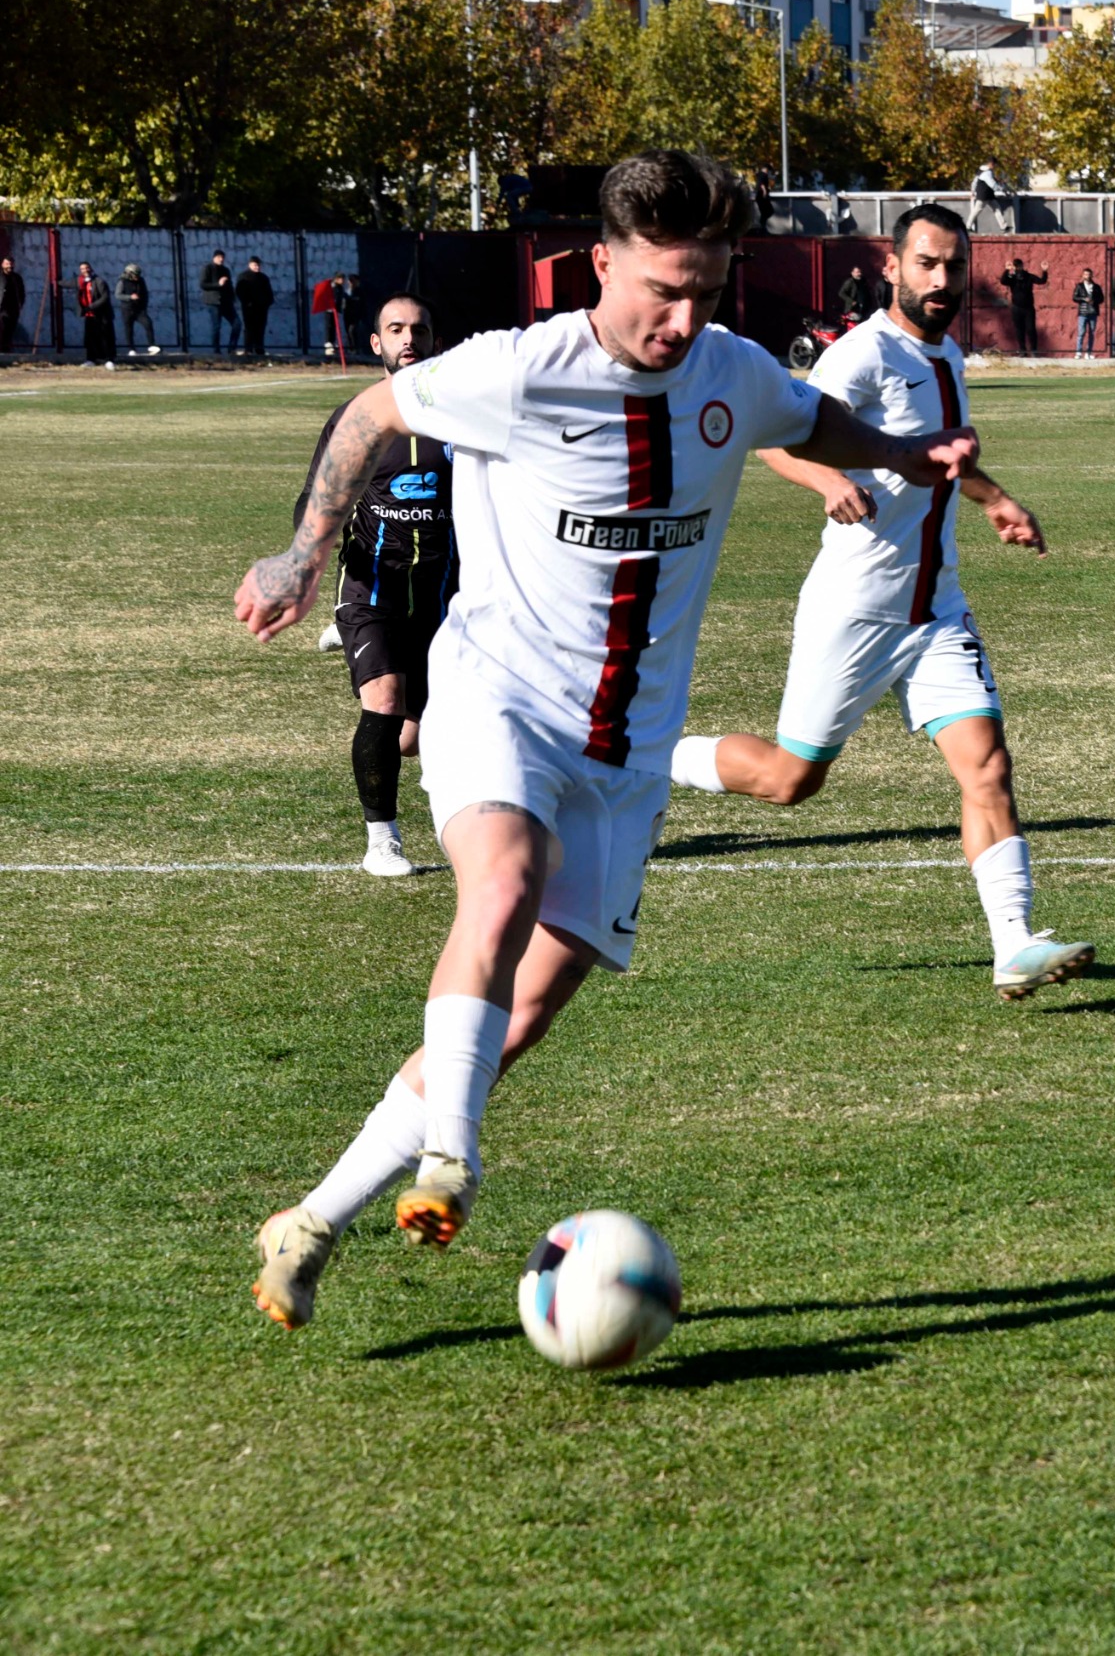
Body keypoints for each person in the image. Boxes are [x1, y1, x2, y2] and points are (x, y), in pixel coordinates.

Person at [233, 149, 977, 1331]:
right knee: (504, 883)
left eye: (708, 291)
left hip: (627, 754)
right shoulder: (517, 371)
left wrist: (899, 455)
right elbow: (375, 411)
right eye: (662, 292)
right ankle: (454, 1163)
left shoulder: (728, 371)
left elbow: (810, 416)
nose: (684, 320)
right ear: (600, 264)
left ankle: (312, 1219)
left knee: (516, 1018)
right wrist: (304, 551)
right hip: (500, 697)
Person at [668, 201, 1090, 1000]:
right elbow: (778, 436)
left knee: (988, 768)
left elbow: (943, 458)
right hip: (855, 608)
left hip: (936, 609)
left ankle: (1015, 945)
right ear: (892, 268)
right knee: (792, 780)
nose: (942, 278)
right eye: (926, 263)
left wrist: (997, 500)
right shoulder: (861, 355)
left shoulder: (949, 356)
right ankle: (647, 761)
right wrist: (828, 478)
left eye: (954, 265)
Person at [295, 294, 457, 878]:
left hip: (444, 595)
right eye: (396, 329)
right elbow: (314, 504)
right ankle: (382, 840)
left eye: (419, 328)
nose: (408, 338)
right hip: (372, 588)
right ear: (376, 343)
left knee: (414, 737)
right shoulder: (355, 419)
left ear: (434, 339)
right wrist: (304, 568)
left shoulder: (464, 420)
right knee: (383, 703)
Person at [999, 256, 1048, 355]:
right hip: (1016, 308)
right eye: (1015, 266)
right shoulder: (1012, 277)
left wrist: (1044, 271)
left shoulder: (1028, 276)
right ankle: (1022, 350)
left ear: (1022, 266)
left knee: (1031, 329)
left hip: (1028, 308)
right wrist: (1007, 270)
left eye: (1018, 266)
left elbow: (1041, 281)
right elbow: (1003, 281)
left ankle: (1034, 350)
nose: (1017, 269)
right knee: (1019, 330)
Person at [200, 249, 238, 355]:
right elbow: (203, 284)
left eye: (222, 257)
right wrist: (218, 284)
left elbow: (229, 285)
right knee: (216, 326)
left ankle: (232, 348)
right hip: (213, 302)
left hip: (226, 302)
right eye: (219, 257)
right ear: (214, 258)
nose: (221, 259)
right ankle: (216, 350)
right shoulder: (207, 268)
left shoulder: (225, 270)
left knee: (237, 324)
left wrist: (232, 297)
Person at [238, 257, 276, 357]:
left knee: (260, 328)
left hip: (262, 307)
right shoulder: (243, 277)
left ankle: (259, 348)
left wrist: (268, 302)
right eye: (255, 265)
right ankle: (248, 349)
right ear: (250, 265)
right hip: (249, 308)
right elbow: (240, 292)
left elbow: (269, 292)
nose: (257, 267)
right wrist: (247, 302)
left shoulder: (263, 278)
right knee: (249, 328)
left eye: (258, 265)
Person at [76, 262, 114, 363]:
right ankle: (91, 359)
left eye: (87, 268)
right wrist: (56, 281)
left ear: (91, 269)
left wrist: (91, 306)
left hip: (102, 315)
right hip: (90, 316)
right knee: (90, 339)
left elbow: (105, 297)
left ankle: (109, 359)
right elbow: (68, 283)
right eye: (82, 269)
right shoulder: (81, 282)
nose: (85, 270)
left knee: (105, 337)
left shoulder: (99, 281)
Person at [117, 263, 157, 355]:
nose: (137, 277)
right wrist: (130, 297)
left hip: (139, 310)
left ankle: (152, 345)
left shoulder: (141, 281)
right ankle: (131, 349)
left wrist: (144, 307)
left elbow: (145, 294)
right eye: (135, 274)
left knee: (148, 324)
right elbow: (118, 295)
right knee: (129, 329)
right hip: (127, 309)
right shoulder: (122, 282)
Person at [1072, 266, 1104, 358]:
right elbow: (1074, 298)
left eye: (1089, 274)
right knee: (1081, 332)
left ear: (1092, 275)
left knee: (1092, 333)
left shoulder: (1096, 287)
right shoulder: (1079, 286)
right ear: (1083, 275)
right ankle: (1078, 352)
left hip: (1093, 312)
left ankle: (1088, 352)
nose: (1087, 276)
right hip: (1083, 312)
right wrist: (1084, 299)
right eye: (1086, 274)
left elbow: (1101, 298)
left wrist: (1094, 300)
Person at [0, 256, 24, 353]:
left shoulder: (17, 278)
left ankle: (6, 351)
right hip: (2, 308)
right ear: (2, 265)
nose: (9, 266)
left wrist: (20, 305)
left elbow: (22, 293)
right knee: (3, 327)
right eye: (7, 264)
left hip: (13, 309)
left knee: (9, 331)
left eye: (11, 264)